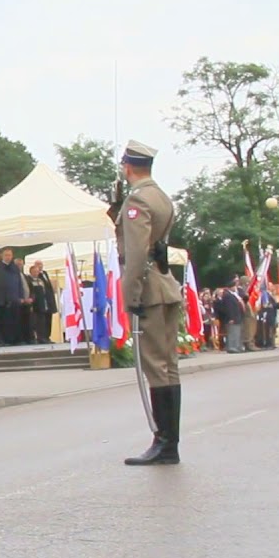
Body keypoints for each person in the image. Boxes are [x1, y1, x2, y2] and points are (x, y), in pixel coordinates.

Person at [116, 141, 184, 466]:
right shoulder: (161, 197)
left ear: (127, 166)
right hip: (166, 286)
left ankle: (165, 443)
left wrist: (131, 295)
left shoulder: (137, 199)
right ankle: (168, 442)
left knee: (156, 366)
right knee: (168, 366)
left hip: (150, 292)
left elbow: (136, 254)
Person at [28, 261, 57, 344]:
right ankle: (38, 337)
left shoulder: (41, 279)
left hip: (44, 303)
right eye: (34, 271)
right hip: (35, 305)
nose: (36, 273)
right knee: (36, 322)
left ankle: (45, 337)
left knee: (45, 321)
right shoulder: (29, 280)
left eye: (37, 271)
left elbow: (47, 290)